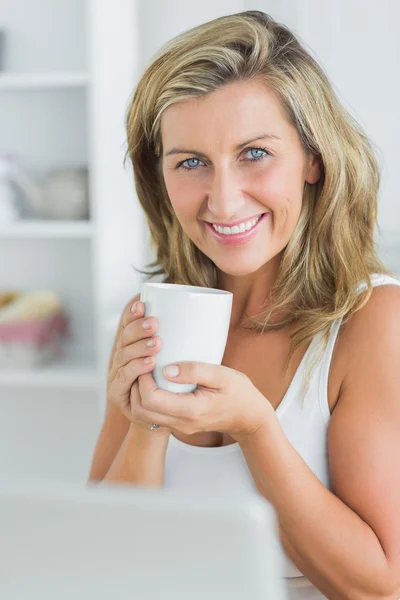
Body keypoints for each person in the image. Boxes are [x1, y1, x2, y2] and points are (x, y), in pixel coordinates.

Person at [87, 10, 400, 600]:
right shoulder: (150, 314)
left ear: (313, 158)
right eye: (191, 162)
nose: (224, 201)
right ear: (161, 176)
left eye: (254, 153)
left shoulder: (373, 323)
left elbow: (378, 585)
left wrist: (257, 429)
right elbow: (107, 556)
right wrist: (149, 422)